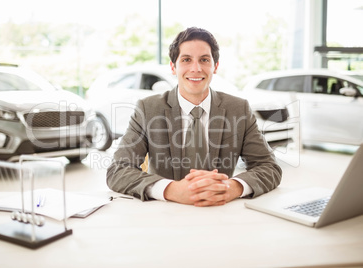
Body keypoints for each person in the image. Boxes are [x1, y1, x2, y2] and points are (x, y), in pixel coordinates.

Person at [107, 27, 282, 207]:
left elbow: (269, 167)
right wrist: (171, 190)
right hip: (165, 214)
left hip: (220, 212)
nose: (196, 68)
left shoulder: (239, 109)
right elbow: (118, 171)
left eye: (204, 60)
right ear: (173, 67)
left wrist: (232, 187)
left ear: (215, 66)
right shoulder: (148, 109)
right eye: (186, 59)